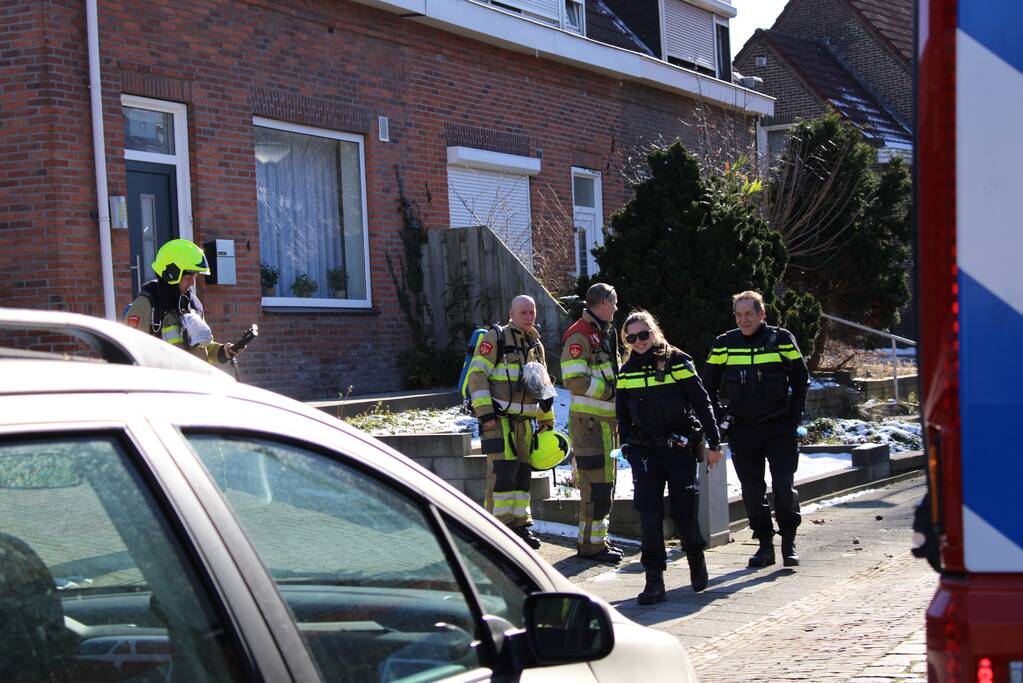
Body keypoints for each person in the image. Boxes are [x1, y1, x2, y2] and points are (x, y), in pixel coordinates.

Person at [616, 310, 723, 602]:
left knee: (683, 511)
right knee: (648, 515)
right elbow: (622, 416)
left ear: (655, 332)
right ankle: (654, 580)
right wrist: (627, 446)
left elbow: (702, 403)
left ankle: (696, 560)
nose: (638, 341)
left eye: (644, 334)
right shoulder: (626, 372)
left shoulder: (678, 361)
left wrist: (714, 442)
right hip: (645, 453)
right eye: (632, 337)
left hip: (678, 449)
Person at [702, 290, 809, 569]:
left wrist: (794, 418)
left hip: (778, 428)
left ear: (762, 314)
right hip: (743, 430)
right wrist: (721, 416)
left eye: (749, 314)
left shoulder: (780, 339)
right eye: (738, 314)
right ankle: (764, 545)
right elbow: (707, 386)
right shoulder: (725, 343)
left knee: (784, 489)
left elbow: (801, 378)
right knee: (751, 492)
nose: (743, 320)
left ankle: (788, 542)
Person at [466, 295, 555, 549]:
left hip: (525, 423)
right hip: (499, 422)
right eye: (523, 312)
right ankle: (495, 532)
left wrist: (546, 418)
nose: (529, 317)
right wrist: (485, 415)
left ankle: (520, 525)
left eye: (532, 312)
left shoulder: (536, 345)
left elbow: (543, 384)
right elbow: (477, 375)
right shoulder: (496, 337)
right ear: (511, 313)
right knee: (501, 476)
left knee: (521, 476)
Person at [560, 283, 622, 563]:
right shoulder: (581, 336)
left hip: (605, 425)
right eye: (615, 302)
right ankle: (590, 546)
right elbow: (573, 380)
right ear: (604, 303)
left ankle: (598, 541)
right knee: (594, 488)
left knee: (605, 486)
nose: (617, 308)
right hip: (590, 426)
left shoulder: (603, 333)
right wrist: (610, 392)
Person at [123, 239, 235, 365]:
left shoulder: (193, 305)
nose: (192, 283)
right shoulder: (146, 304)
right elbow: (130, 353)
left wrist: (222, 351)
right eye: (188, 277)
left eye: (194, 277)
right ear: (171, 274)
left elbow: (202, 349)